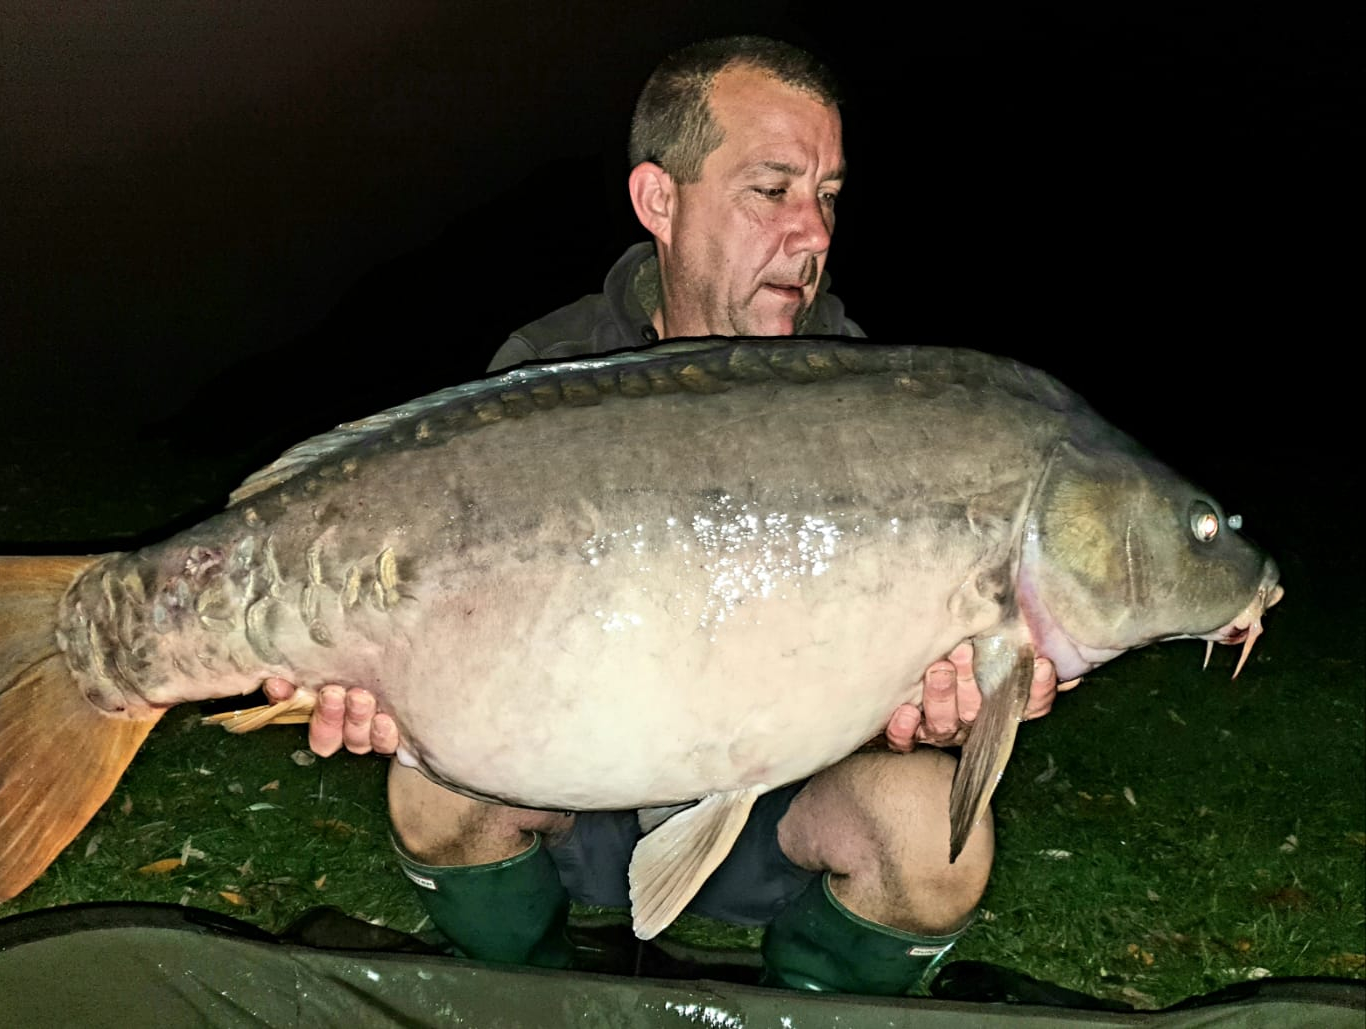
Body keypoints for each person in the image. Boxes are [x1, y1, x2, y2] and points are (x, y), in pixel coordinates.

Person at [276, 36, 1077, 994]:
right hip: (572, 780)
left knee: (935, 835)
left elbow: (875, 674)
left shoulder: (872, 402)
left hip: (772, 800)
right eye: (772, 189)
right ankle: (528, 1001)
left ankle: (804, 1010)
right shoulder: (546, 377)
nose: (813, 233)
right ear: (660, 200)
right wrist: (390, 689)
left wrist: (937, 709)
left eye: (827, 195)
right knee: (431, 791)